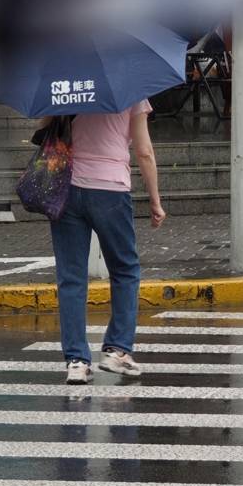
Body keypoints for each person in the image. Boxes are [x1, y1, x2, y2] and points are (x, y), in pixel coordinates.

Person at [49, 99, 166, 384]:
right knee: (125, 270)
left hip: (67, 188)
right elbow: (144, 151)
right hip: (110, 190)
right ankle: (117, 350)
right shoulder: (131, 90)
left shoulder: (67, 85)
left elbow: (49, 128)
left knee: (72, 277)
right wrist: (155, 200)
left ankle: (76, 361)